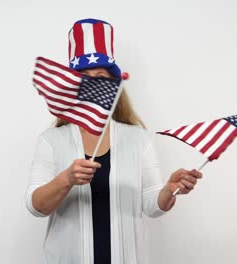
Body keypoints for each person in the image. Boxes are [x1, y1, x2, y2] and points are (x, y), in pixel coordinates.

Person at [26, 18, 203, 264]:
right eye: (84, 76)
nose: (94, 83)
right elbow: (36, 206)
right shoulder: (51, 140)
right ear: (74, 85)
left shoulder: (138, 138)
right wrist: (66, 179)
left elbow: (152, 205)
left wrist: (169, 189)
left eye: (100, 75)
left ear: (113, 83)